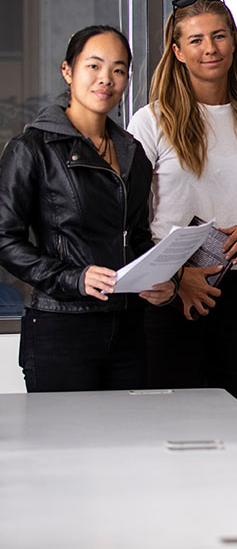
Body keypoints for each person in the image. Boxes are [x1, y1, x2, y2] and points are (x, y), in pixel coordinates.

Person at [129, 0, 237, 409]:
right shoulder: (150, 122)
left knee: (236, 424)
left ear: (233, 42)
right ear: (178, 51)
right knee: (168, 422)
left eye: (219, 36)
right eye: (196, 40)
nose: (210, 48)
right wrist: (180, 279)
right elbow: (131, 222)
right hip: (171, 290)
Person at [0, 25, 175, 392]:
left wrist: (165, 281)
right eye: (93, 66)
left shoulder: (133, 153)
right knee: (65, 448)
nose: (105, 80)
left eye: (118, 69)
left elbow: (138, 235)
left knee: (127, 445)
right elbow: (5, 238)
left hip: (129, 325)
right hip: (61, 327)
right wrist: (73, 278)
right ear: (68, 70)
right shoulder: (32, 147)